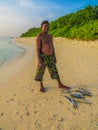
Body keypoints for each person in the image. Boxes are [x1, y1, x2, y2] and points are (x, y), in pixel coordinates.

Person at [35, 20, 70, 92]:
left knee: (55, 71)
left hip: (50, 57)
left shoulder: (50, 36)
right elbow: (38, 49)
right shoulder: (39, 36)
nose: (46, 27)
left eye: (47, 26)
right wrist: (39, 60)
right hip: (43, 57)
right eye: (45, 26)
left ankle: (60, 84)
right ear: (41, 27)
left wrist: (54, 56)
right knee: (40, 72)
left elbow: (52, 46)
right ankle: (41, 86)